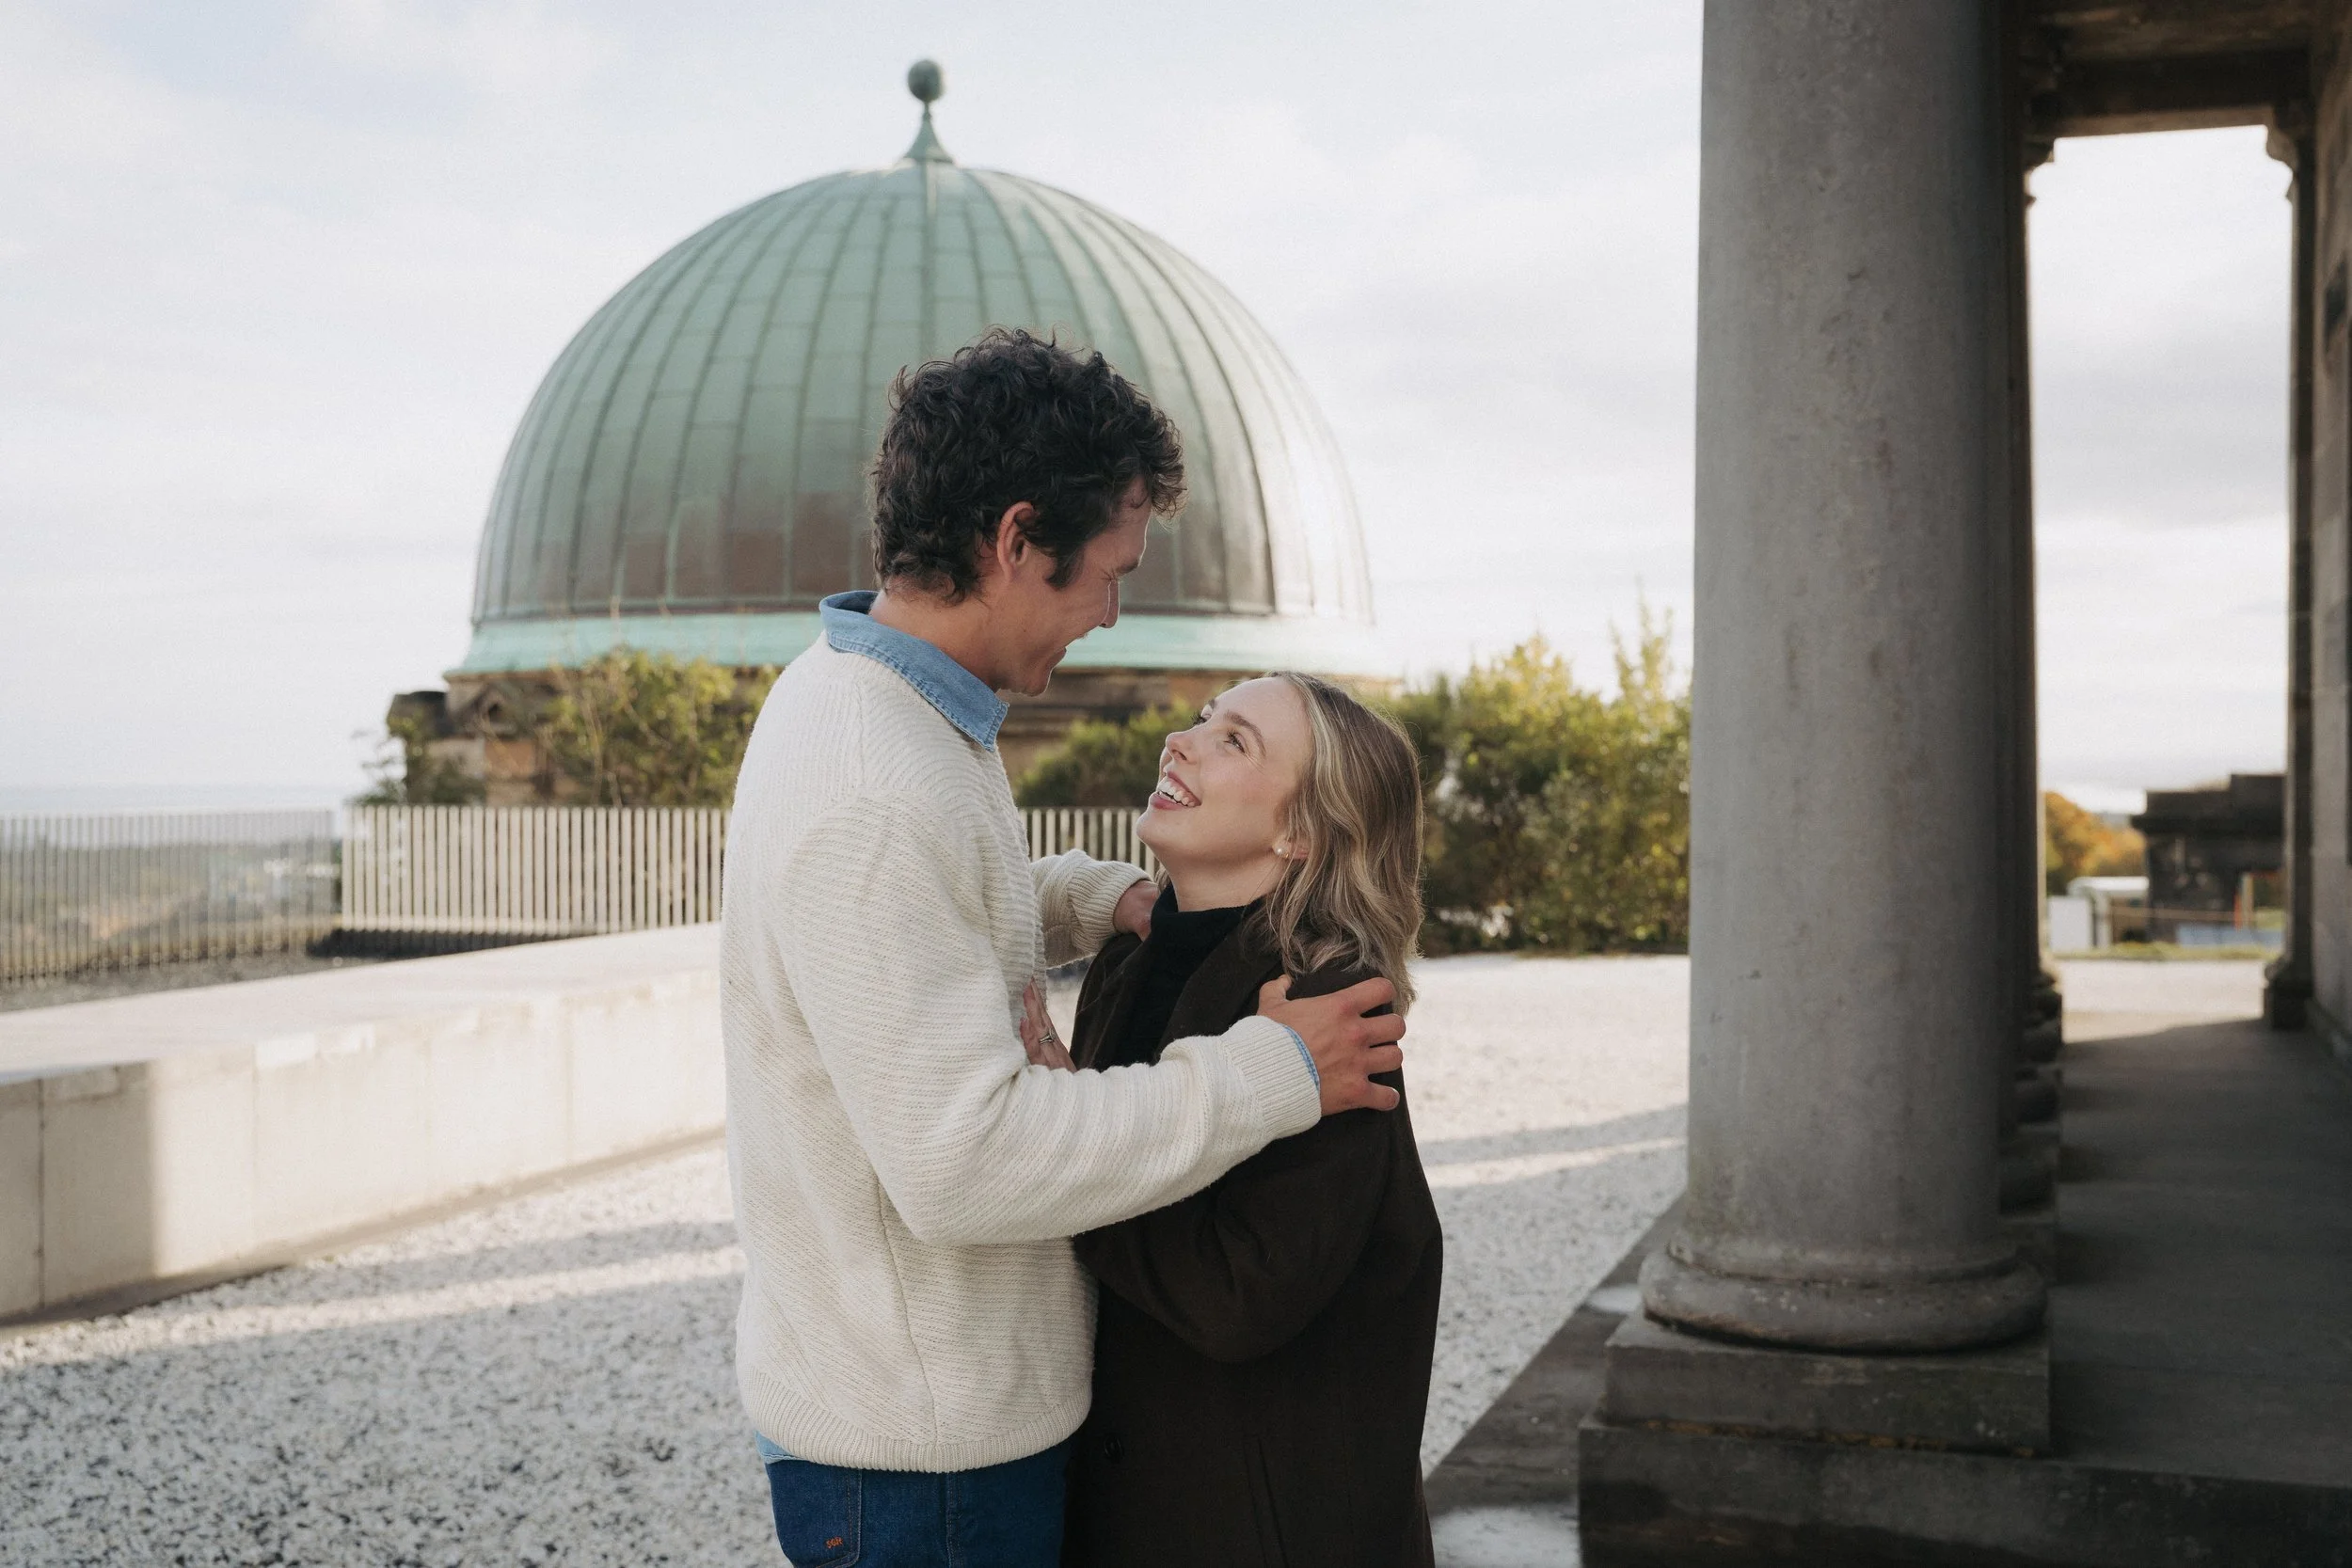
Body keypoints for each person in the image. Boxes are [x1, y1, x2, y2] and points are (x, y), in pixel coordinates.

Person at [720, 328, 1408, 1568]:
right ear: (1017, 538)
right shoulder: (878, 780)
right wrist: (1271, 1073)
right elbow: (967, 1159)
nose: (1110, 610)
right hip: (927, 1459)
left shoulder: (873, 700)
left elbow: (920, 908)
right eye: (1105, 571)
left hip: (915, 1425)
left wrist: (1085, 900)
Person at [1050, 673, 1443, 1568]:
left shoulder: (1330, 1001)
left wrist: (1053, 1158)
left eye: (1235, 741)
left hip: (1268, 1530)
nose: (1180, 741)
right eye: (1201, 721)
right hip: (1126, 1508)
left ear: (1300, 830)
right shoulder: (1125, 963)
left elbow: (1238, 1295)